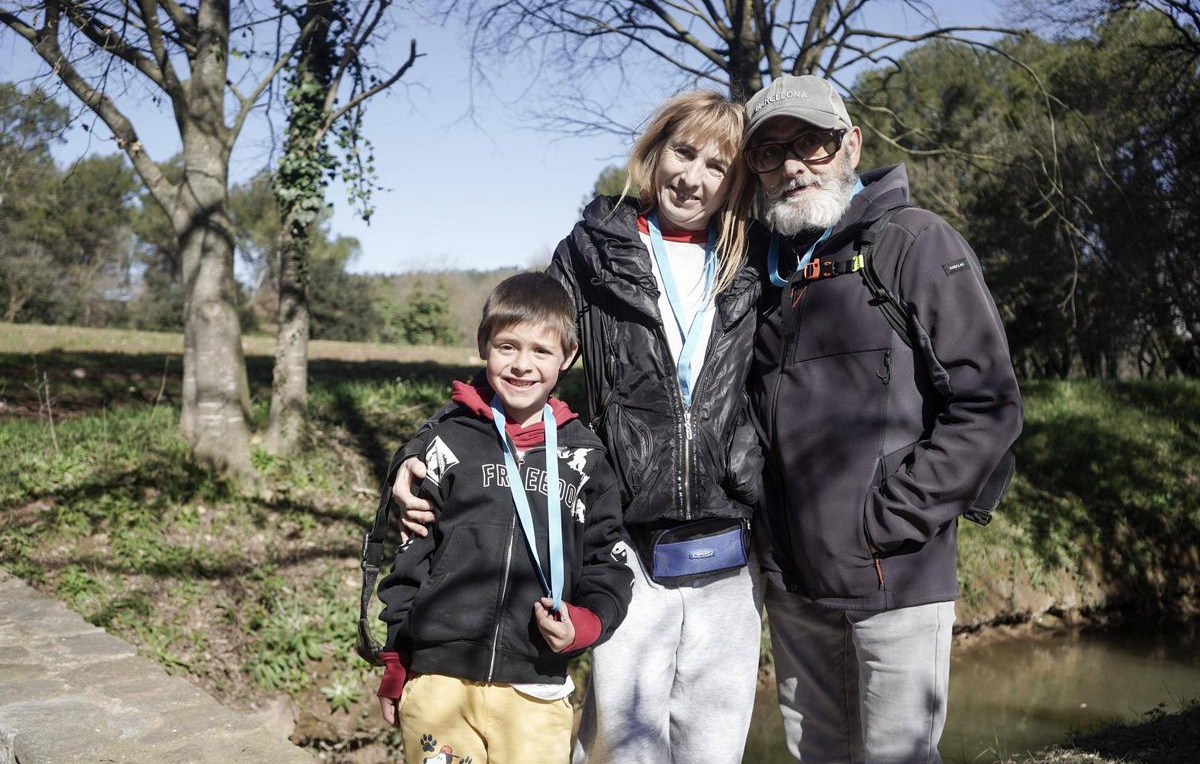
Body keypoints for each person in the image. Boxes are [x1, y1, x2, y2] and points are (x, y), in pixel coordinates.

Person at [389, 91, 768, 763]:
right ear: (655, 152)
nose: (694, 176)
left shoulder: (753, 264)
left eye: (718, 164)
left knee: (714, 748)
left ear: (736, 178)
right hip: (623, 536)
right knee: (621, 746)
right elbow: (522, 356)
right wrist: (420, 450)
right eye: (683, 152)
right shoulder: (594, 250)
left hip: (728, 542)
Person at [742, 74, 1024, 763]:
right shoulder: (757, 267)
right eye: (772, 151)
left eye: (813, 142)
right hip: (792, 585)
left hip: (894, 575)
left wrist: (889, 522)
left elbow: (987, 405)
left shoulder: (914, 242)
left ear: (851, 145)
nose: (794, 164)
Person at [374, 272, 633, 764]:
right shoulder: (446, 443)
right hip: (439, 684)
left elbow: (610, 562)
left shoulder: (586, 458)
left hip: (535, 685)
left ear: (568, 358)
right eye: (507, 346)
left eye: (541, 351)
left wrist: (587, 622)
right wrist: (395, 657)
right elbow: (411, 556)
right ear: (483, 347)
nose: (521, 365)